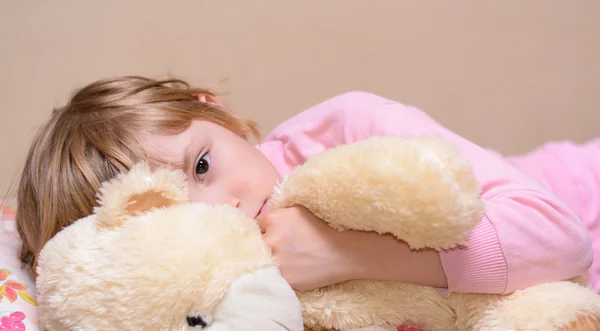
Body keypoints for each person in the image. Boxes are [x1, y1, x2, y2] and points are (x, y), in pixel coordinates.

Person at [15, 76, 597, 296]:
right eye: (179, 216)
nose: (229, 210)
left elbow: (562, 242)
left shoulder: (350, 124)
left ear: (211, 109)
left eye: (200, 168)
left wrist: (347, 253)